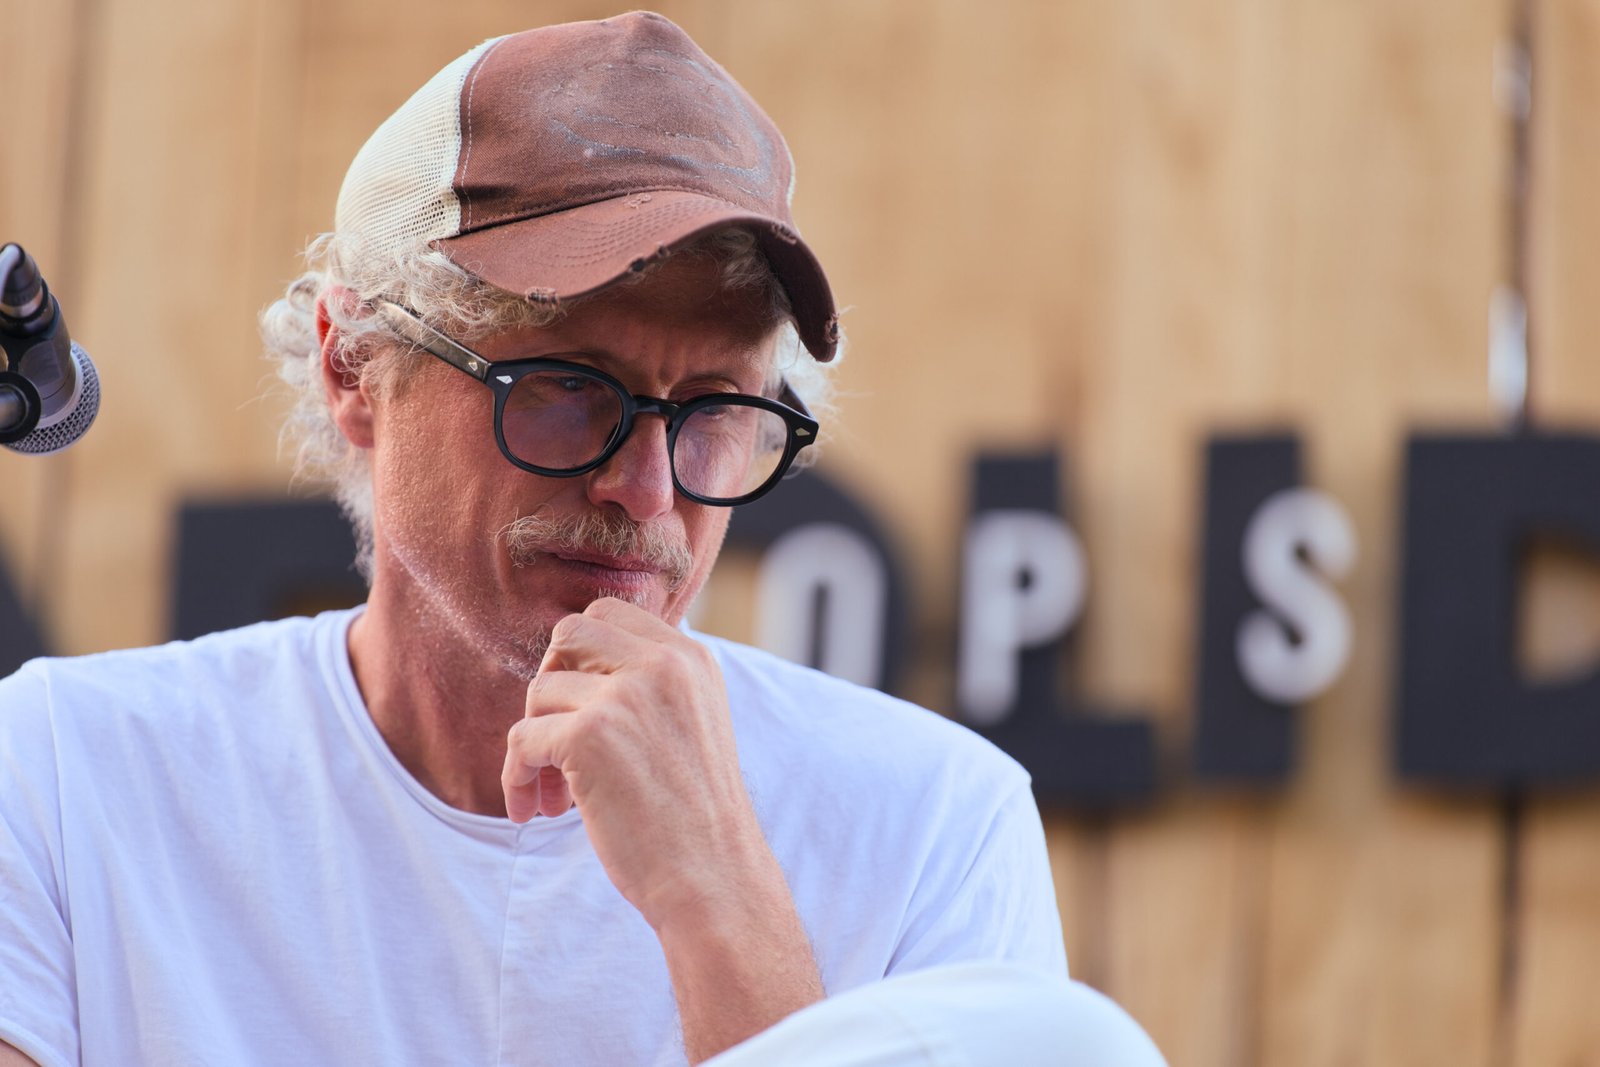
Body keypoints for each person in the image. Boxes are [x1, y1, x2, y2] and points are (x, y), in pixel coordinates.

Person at [0, 12, 1162, 1066]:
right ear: (355, 365)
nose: (644, 489)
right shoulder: (69, 771)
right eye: (566, 384)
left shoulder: (932, 821)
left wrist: (717, 895)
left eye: (713, 409)